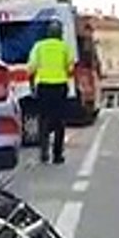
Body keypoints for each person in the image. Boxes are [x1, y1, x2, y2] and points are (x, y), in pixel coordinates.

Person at [26, 19, 74, 164]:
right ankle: (57, 155)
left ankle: (44, 152)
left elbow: (31, 67)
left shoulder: (38, 46)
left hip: (44, 87)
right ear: (60, 34)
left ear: (48, 33)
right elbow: (70, 68)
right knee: (59, 121)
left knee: (44, 120)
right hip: (60, 86)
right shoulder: (65, 47)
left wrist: (32, 84)